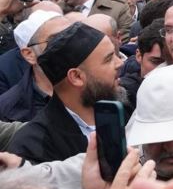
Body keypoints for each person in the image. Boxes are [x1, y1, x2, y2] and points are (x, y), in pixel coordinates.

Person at [6, 23, 124, 164]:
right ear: (76, 77)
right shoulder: (33, 148)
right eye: (109, 59)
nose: (120, 63)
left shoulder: (126, 110)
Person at [0, 10, 68, 122]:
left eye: (73, 34)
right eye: (56, 39)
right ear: (29, 55)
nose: (70, 43)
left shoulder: (94, 83)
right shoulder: (9, 109)